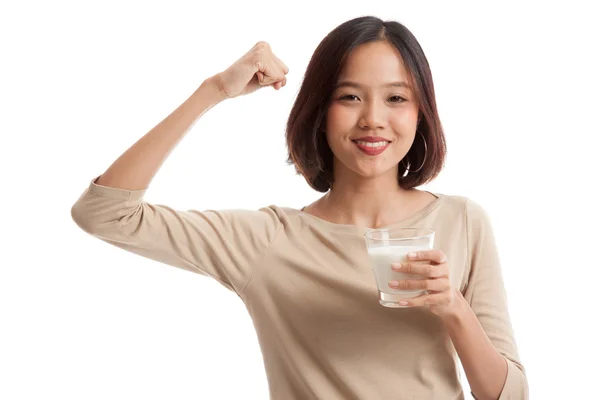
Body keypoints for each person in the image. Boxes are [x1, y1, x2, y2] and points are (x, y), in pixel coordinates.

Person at [71, 15, 528, 400]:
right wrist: (212, 91)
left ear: (420, 112)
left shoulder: (462, 222)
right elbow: (105, 213)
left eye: (396, 98)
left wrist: (454, 309)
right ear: (320, 110)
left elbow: (511, 394)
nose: (372, 118)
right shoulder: (268, 241)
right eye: (349, 97)